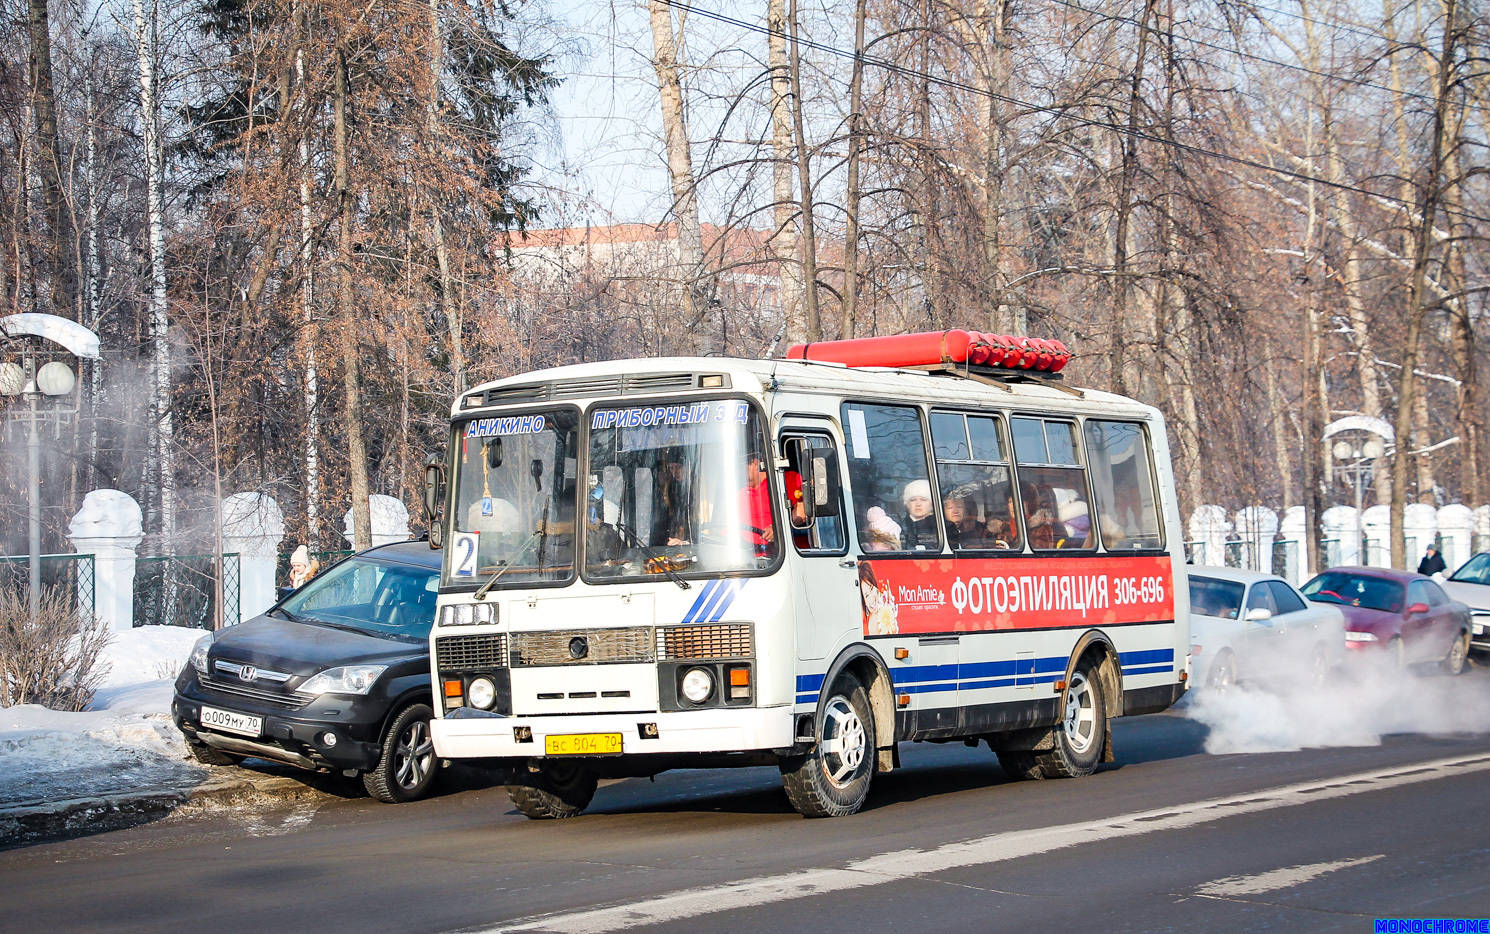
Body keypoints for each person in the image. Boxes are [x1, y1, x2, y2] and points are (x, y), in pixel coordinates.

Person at [738, 450, 775, 550]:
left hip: (777, 555)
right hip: (743, 555)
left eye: (739, 465)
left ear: (756, 464)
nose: (737, 471)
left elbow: (803, 511)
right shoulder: (740, 494)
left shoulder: (784, 483)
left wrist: (777, 529)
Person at [901, 479, 940, 550]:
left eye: (923, 499)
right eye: (913, 500)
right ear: (907, 504)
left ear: (932, 503)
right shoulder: (900, 526)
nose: (918, 504)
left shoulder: (942, 527)